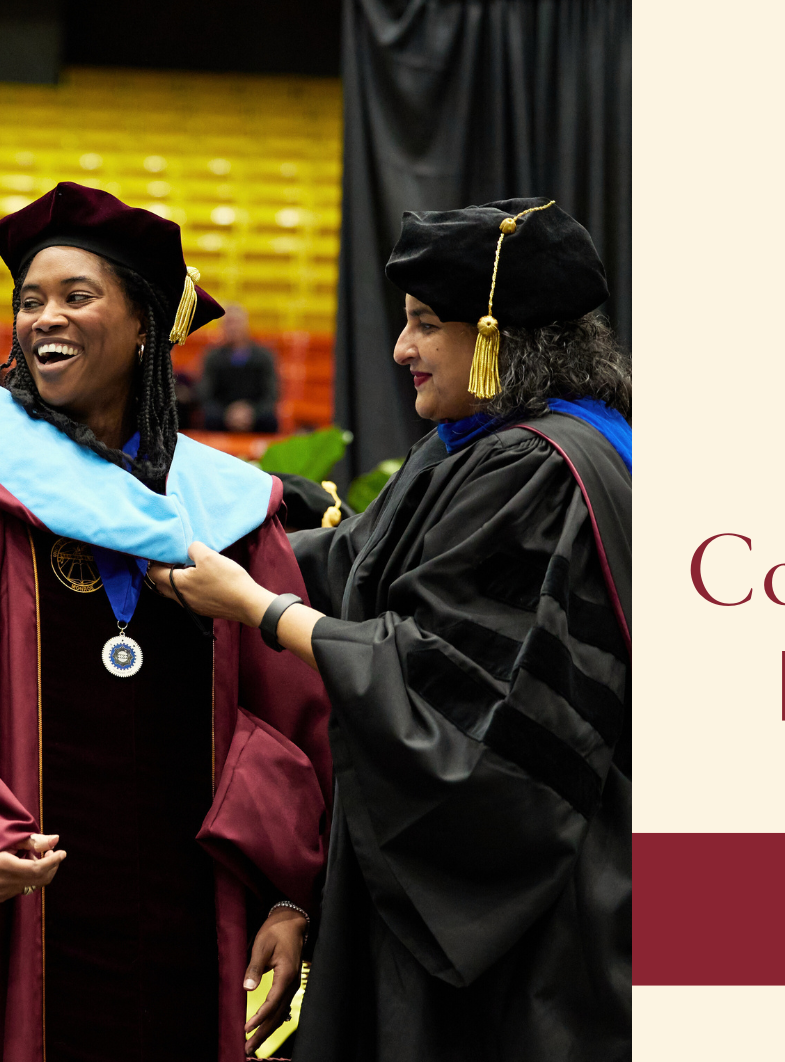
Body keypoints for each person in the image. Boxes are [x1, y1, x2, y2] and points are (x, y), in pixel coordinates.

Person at [0, 181, 332, 1062]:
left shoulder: (230, 509)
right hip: (21, 916)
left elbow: (287, 721)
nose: (43, 318)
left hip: (194, 917)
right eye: (30, 301)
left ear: (146, 327)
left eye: (75, 296)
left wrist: (287, 896)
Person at [151, 198, 631, 1061]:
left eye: (423, 325)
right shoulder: (472, 448)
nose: (402, 349)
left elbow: (451, 692)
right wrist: (189, 529)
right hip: (478, 900)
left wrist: (262, 610)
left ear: (499, 335)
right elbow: (351, 561)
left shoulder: (542, 469)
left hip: (528, 915)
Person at [198, 303, 280, 432]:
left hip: (256, 415)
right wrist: (227, 414)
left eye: (236, 322)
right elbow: (205, 395)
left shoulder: (264, 357)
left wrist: (251, 412)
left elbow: (271, 395)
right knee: (209, 419)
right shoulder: (212, 358)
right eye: (229, 323)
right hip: (222, 416)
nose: (233, 328)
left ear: (246, 325)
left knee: (269, 420)